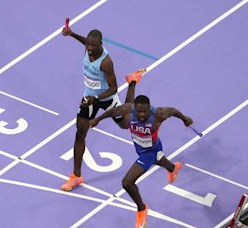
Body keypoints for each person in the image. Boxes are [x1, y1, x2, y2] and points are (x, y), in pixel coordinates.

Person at [89, 74, 193, 228]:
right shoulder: (129, 109)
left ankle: (142, 209)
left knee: (127, 182)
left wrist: (185, 119)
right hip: (145, 147)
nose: (142, 115)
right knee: (158, 158)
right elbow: (113, 111)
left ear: (149, 108)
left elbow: (173, 111)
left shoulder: (159, 114)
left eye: (145, 112)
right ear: (135, 110)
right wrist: (97, 119)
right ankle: (173, 168)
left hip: (149, 151)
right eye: (139, 112)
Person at [60, 26, 134, 191]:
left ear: (101, 44)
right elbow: (85, 42)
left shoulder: (106, 62)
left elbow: (113, 88)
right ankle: (76, 176)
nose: (90, 48)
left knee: (126, 124)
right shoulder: (88, 48)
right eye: (88, 45)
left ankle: (132, 83)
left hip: (107, 99)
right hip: (89, 97)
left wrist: (97, 98)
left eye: (93, 46)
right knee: (80, 133)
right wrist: (71, 34)